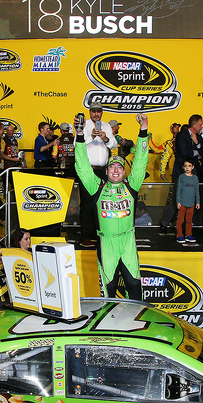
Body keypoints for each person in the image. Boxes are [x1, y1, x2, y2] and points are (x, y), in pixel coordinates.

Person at [73, 112, 149, 300]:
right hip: (106, 244)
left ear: (124, 172)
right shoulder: (96, 187)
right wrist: (80, 135)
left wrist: (143, 130)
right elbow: (82, 165)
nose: (116, 170)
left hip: (127, 242)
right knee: (109, 292)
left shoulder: (131, 186)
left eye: (120, 167)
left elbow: (140, 161)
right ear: (106, 171)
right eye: (112, 167)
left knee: (134, 288)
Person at [160, 114, 203, 234]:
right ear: (194, 124)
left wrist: (197, 144)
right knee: (176, 199)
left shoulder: (198, 137)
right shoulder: (181, 135)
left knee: (193, 199)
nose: (201, 127)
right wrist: (196, 152)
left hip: (194, 174)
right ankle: (164, 223)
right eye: (200, 124)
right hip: (180, 173)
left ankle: (191, 225)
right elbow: (184, 153)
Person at [79, 103, 118, 247]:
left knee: (102, 202)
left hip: (103, 169)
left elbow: (114, 144)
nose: (96, 114)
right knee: (87, 203)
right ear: (89, 112)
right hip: (88, 169)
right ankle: (85, 236)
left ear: (102, 112)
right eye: (94, 111)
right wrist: (91, 136)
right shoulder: (84, 125)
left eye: (99, 111)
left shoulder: (107, 126)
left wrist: (106, 138)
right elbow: (77, 144)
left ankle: (100, 233)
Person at [175, 157, 200, 244]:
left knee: (189, 220)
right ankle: (179, 235)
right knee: (180, 220)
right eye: (185, 166)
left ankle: (188, 234)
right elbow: (178, 190)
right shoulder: (181, 177)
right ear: (183, 167)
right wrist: (178, 201)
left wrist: (198, 202)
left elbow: (197, 191)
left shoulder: (195, 178)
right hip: (182, 203)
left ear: (193, 167)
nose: (187, 168)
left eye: (189, 166)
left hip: (191, 203)